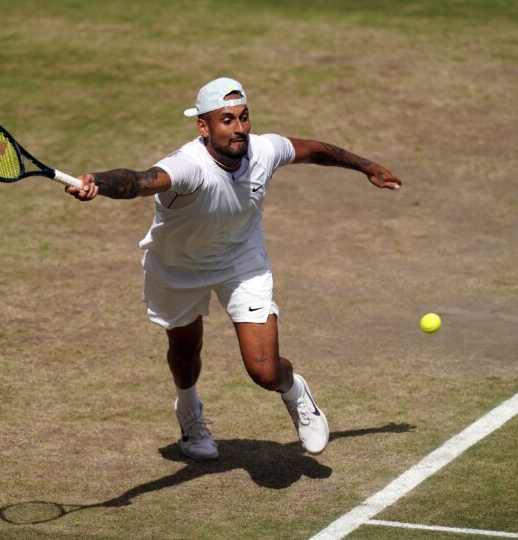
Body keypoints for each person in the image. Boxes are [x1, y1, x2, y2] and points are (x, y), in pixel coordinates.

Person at [66, 77, 401, 460]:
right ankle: (190, 413)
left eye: (244, 117)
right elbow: (139, 180)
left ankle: (295, 392)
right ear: (204, 127)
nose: (239, 128)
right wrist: (100, 183)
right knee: (185, 351)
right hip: (177, 267)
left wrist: (367, 166)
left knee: (265, 371)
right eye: (227, 120)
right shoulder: (187, 166)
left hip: (241, 263)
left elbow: (315, 151)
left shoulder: (266, 149)